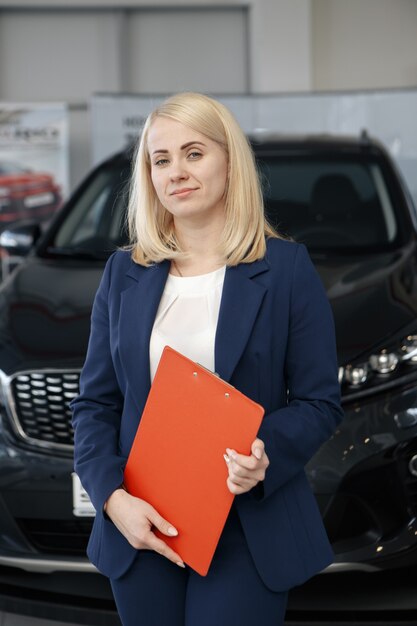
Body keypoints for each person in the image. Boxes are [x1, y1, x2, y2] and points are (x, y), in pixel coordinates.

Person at [71, 92, 344, 626]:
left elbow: (319, 403)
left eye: (194, 153)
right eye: (161, 159)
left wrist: (265, 454)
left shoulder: (285, 269)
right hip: (141, 522)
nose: (177, 171)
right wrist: (112, 499)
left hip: (247, 525)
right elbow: (94, 405)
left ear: (229, 161)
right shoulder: (123, 273)